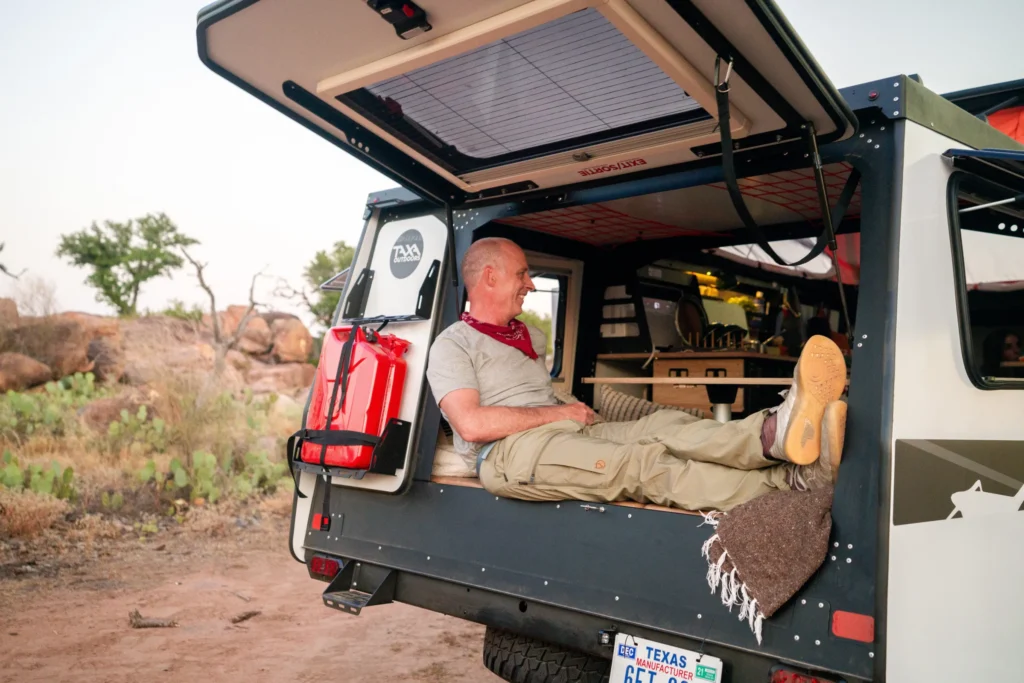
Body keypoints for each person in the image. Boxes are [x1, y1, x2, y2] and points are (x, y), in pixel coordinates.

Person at [426, 238, 848, 512]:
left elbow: (540, 401)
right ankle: (785, 487)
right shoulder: (453, 345)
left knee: (664, 425)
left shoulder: (529, 336)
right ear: (490, 276)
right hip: (507, 454)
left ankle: (774, 437)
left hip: (566, 431)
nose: (531, 284)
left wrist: (571, 412)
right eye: (522, 273)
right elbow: (472, 425)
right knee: (642, 465)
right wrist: (560, 414)